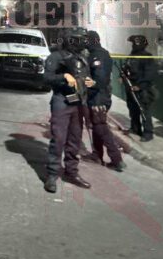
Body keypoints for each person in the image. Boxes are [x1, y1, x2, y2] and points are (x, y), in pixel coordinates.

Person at [42, 30, 95, 192]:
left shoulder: (82, 57)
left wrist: (90, 82)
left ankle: (71, 172)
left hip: (78, 102)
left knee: (75, 139)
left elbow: (86, 76)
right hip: (62, 101)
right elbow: (46, 78)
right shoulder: (56, 57)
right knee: (58, 138)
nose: (82, 43)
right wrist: (64, 76)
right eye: (78, 40)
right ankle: (52, 175)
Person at [83, 30, 125, 171]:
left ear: (93, 40)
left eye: (87, 40)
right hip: (98, 95)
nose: (85, 43)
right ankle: (97, 155)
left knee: (101, 127)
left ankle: (117, 160)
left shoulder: (98, 55)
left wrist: (92, 84)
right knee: (97, 127)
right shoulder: (99, 53)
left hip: (98, 97)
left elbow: (100, 78)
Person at [122, 34, 157, 141]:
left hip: (143, 89)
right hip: (130, 87)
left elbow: (150, 74)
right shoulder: (131, 55)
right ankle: (135, 128)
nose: (133, 45)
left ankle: (148, 133)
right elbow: (126, 68)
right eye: (132, 43)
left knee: (144, 111)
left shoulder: (147, 57)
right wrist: (122, 76)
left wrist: (140, 86)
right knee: (133, 110)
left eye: (134, 43)